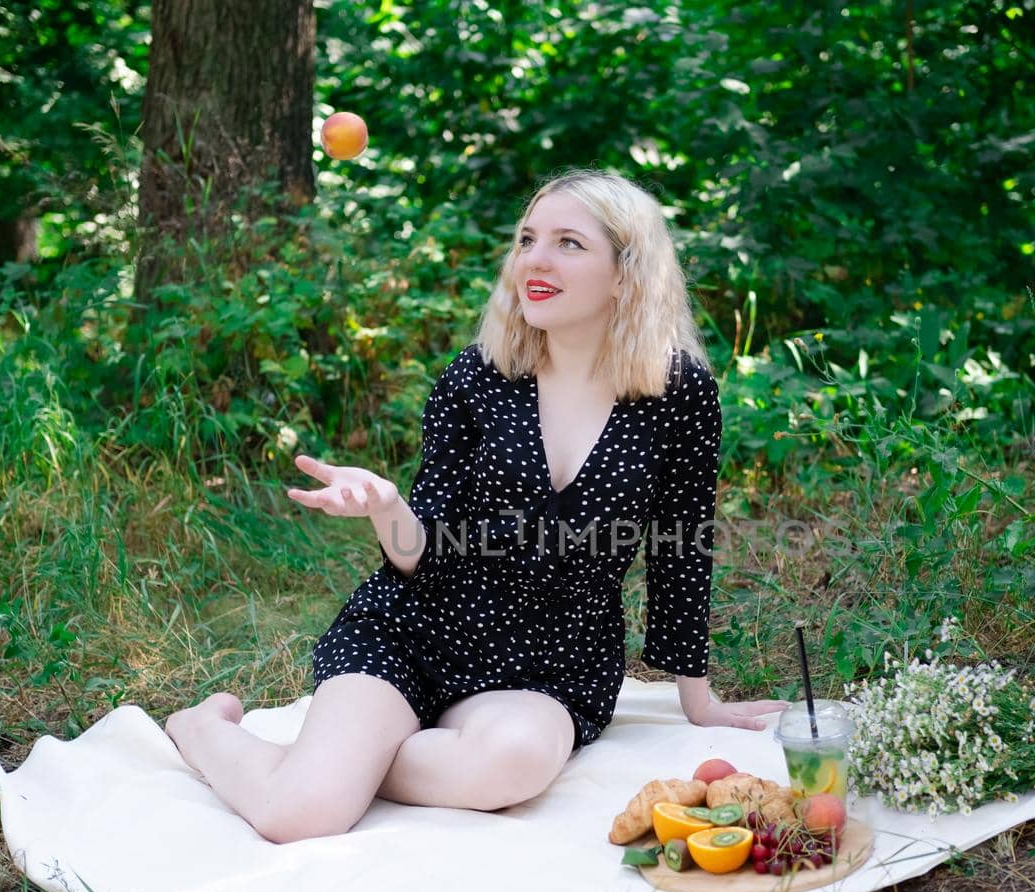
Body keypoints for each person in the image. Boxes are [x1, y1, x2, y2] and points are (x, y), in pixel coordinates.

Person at [165, 168, 785, 843]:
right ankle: (203, 728)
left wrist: (698, 699)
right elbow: (419, 554)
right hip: (418, 630)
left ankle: (348, 760)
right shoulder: (478, 376)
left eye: (568, 243)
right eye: (527, 239)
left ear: (625, 274)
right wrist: (386, 503)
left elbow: (681, 545)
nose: (534, 260)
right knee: (300, 814)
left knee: (515, 764)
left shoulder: (680, 393)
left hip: (552, 664)